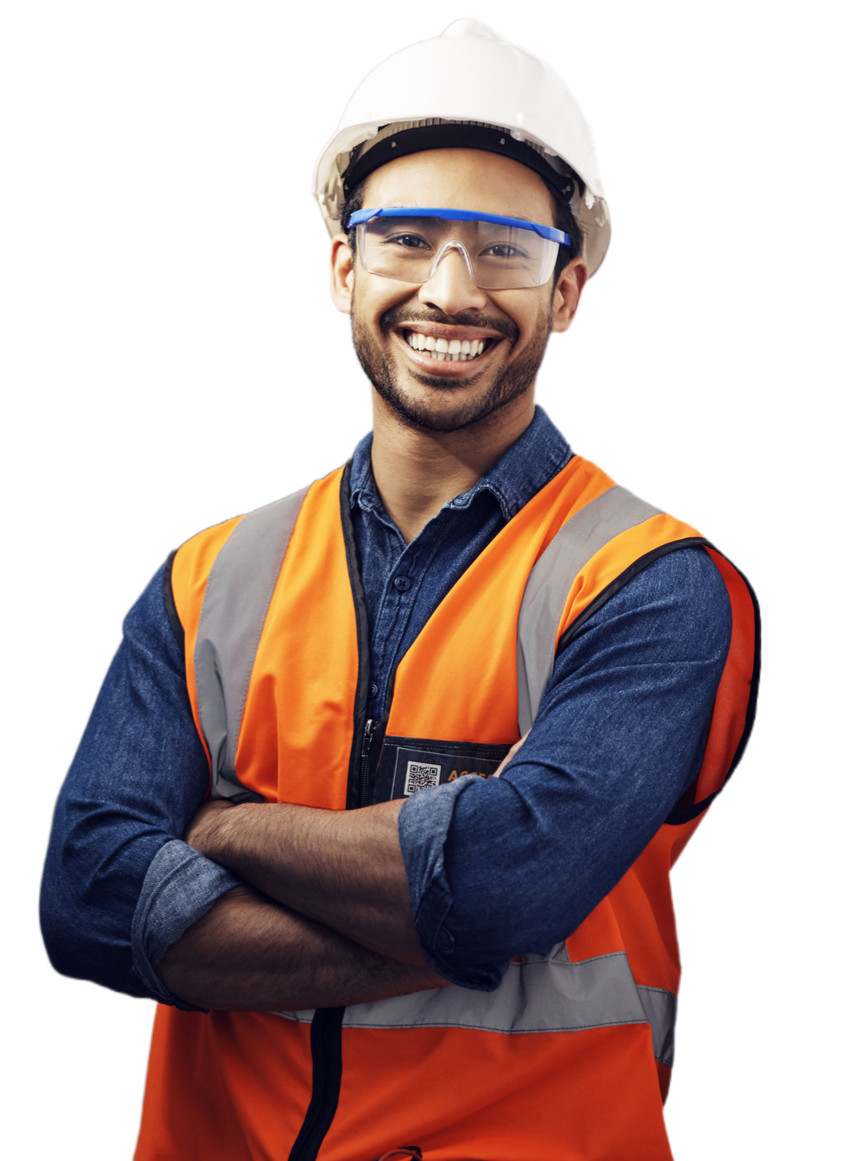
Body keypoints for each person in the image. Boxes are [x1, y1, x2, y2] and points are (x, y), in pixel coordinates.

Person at [39, 19, 760, 1161]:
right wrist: (428, 924)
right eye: (407, 239)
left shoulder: (654, 584)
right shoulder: (206, 578)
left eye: (505, 248)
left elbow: (505, 888)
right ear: (342, 268)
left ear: (566, 290)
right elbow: (82, 898)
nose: (450, 289)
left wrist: (222, 828)